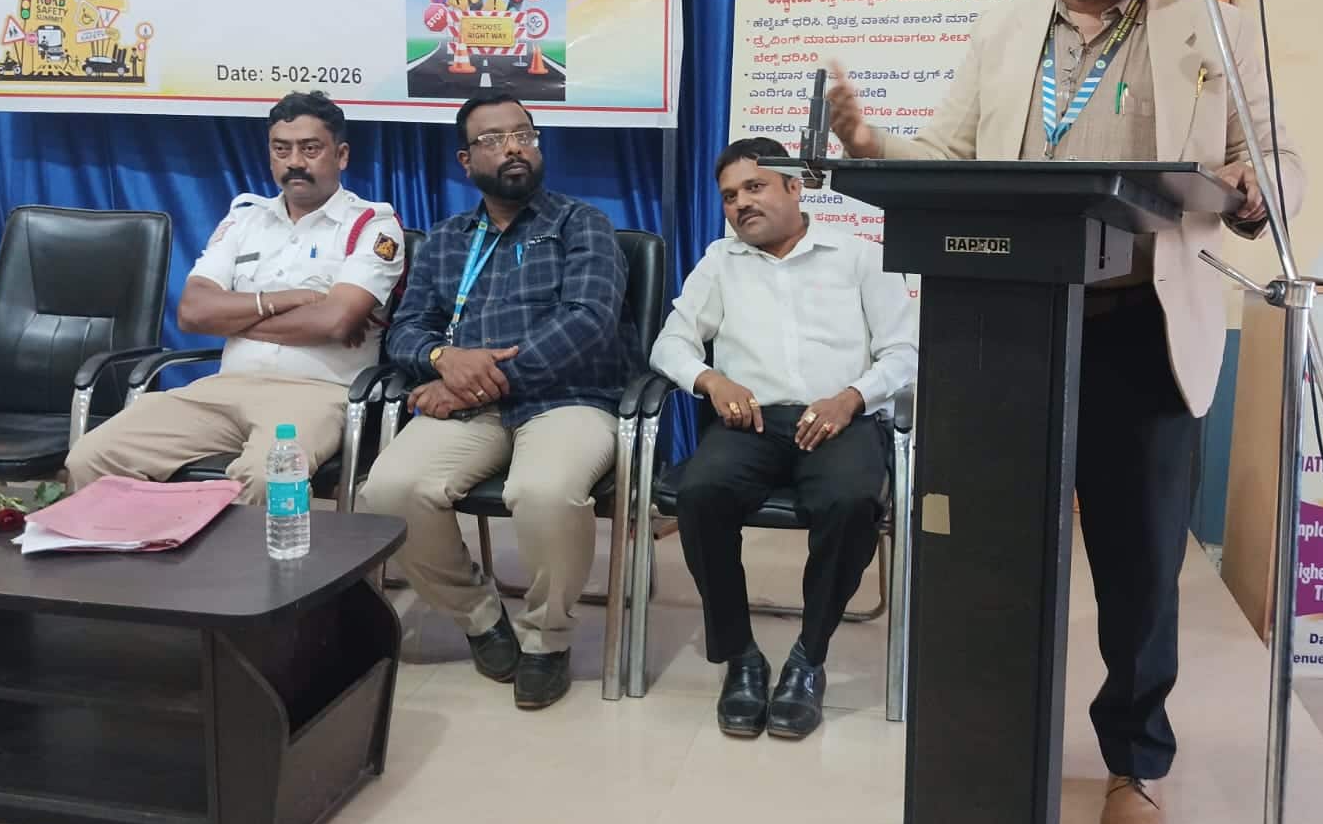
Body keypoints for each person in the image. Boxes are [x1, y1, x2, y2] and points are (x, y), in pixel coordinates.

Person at [826, 0, 1307, 824]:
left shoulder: (1207, 26)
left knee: (1139, 572)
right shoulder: (1003, 32)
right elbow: (949, 158)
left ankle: (1136, 761)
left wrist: (1252, 188)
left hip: (1142, 337)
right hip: (1011, 334)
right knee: (992, 553)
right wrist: (869, 144)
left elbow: (1279, 162)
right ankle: (999, 744)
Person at [359, 95, 639, 711]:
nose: (513, 147)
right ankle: (482, 619)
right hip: (471, 407)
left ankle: (547, 639)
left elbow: (588, 323)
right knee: (389, 491)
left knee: (544, 492)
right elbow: (405, 331)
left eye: (523, 135)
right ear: (466, 160)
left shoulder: (582, 223)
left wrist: (477, 378)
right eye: (492, 139)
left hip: (569, 397)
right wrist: (441, 358)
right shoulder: (445, 240)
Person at [649, 138, 918, 740]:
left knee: (851, 502)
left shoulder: (858, 256)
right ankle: (740, 656)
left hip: (839, 418)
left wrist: (852, 397)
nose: (741, 204)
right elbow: (670, 343)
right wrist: (710, 380)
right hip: (750, 422)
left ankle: (808, 658)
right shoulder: (720, 261)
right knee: (700, 494)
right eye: (729, 196)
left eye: (754, 187)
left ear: (796, 188)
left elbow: (905, 350)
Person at [66, 91, 405, 501]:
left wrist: (235, 321)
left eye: (310, 149)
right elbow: (193, 312)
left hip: (316, 394)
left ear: (342, 155)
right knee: (92, 456)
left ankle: (253, 549)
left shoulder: (372, 225)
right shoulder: (246, 218)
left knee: (267, 476)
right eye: (281, 149)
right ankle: (132, 546)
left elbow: (335, 321)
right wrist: (287, 299)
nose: (295, 162)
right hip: (223, 389)